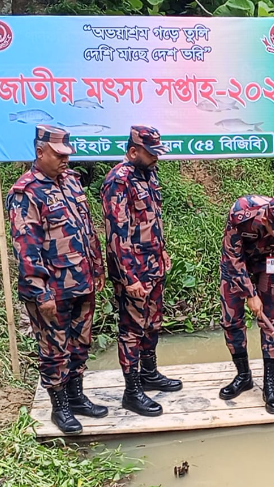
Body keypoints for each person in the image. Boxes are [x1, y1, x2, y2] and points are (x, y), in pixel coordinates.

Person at [7, 124, 108, 435]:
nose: (66, 160)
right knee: (54, 349)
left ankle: (76, 396)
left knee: (80, 343)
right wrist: (41, 293)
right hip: (52, 289)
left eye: (68, 153)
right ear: (40, 152)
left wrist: (98, 267)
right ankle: (60, 406)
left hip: (82, 281)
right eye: (59, 154)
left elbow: (88, 230)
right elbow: (27, 248)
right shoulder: (26, 192)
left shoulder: (72, 183)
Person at [101, 125, 181, 417]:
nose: (156, 158)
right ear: (133, 151)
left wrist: (161, 251)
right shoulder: (117, 181)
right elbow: (116, 234)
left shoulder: (149, 174)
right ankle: (132, 392)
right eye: (151, 153)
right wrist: (129, 277)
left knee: (153, 323)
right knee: (132, 330)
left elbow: (152, 220)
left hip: (153, 264)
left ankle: (149, 373)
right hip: (133, 269)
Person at [218, 195, 274, 414]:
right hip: (237, 263)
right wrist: (249, 293)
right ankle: (243, 376)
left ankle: (270, 385)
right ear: (266, 219)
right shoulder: (242, 213)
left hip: (269, 262)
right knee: (231, 320)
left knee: (272, 323)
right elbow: (232, 257)